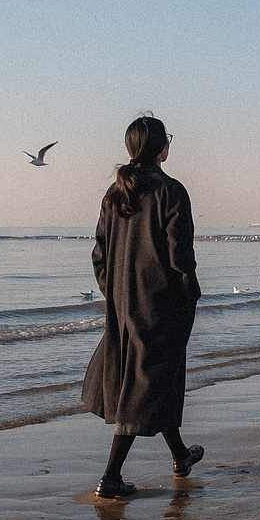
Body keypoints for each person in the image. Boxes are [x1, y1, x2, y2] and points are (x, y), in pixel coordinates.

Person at [82, 115, 204, 498]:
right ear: (157, 147)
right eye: (167, 138)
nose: (170, 143)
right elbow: (180, 253)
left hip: (123, 301)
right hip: (161, 302)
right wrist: (190, 291)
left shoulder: (114, 192)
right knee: (144, 381)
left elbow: (99, 255)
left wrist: (115, 292)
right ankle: (111, 476)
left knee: (154, 376)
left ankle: (180, 455)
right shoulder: (171, 190)